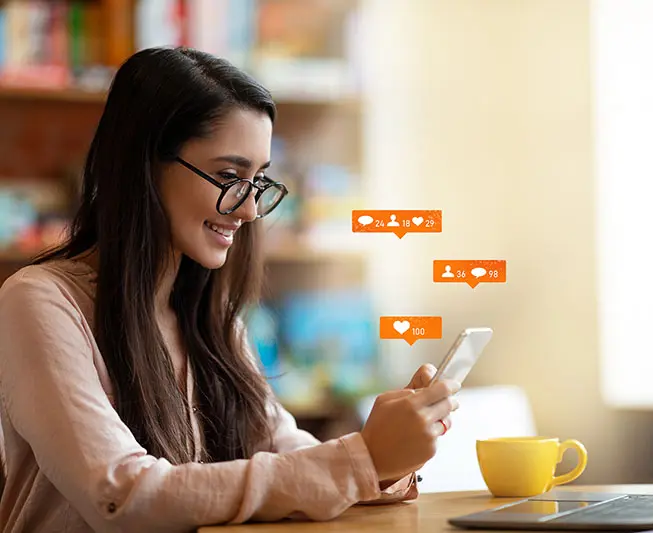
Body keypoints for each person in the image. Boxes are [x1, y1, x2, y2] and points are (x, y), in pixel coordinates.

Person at [0, 47, 459, 533]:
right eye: (228, 177)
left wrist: (385, 461)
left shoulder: (214, 319)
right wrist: (360, 461)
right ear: (145, 166)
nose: (250, 211)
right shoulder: (39, 302)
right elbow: (121, 497)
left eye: (257, 181)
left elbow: (289, 455)